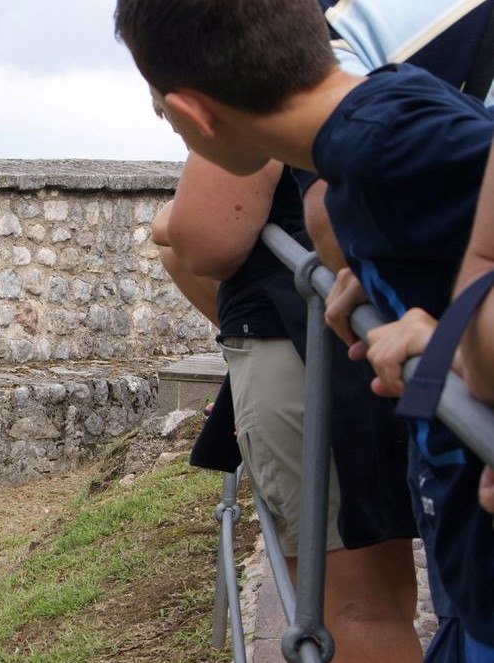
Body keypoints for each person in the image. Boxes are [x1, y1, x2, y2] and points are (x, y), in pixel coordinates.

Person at [114, 0, 494, 659]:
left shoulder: (393, 142)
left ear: (193, 115)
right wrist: (392, 285)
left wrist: (455, 341)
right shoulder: (367, 143)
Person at [154, 154, 420, 662]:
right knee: (382, 598)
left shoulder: (249, 108)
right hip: (363, 339)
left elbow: (200, 239)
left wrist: (176, 217)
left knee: (349, 608)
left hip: (304, 348)